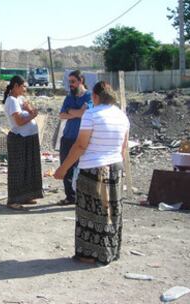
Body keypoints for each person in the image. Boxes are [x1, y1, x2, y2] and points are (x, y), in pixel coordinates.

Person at [53, 81, 130, 266]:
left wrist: (63, 169)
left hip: (94, 170)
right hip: (115, 168)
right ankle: (109, 252)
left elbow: (81, 145)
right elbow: (124, 148)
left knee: (90, 214)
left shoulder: (91, 114)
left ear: (95, 97)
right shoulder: (122, 116)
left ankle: (89, 254)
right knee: (111, 212)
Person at [3, 75, 44, 210]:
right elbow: (19, 122)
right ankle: (13, 200)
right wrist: (32, 115)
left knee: (29, 168)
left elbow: (33, 111)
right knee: (18, 171)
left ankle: (26, 196)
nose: (25, 89)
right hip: (19, 138)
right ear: (15, 86)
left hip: (29, 137)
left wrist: (30, 111)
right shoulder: (12, 101)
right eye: (23, 86)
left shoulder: (20, 99)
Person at [57, 70, 93, 205]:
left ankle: (82, 197)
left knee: (83, 169)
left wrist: (70, 111)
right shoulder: (69, 97)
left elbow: (84, 112)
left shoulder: (89, 96)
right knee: (66, 167)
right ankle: (70, 197)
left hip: (82, 138)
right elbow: (61, 115)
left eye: (73, 82)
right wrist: (76, 113)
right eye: (69, 82)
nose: (70, 85)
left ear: (81, 81)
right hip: (67, 137)